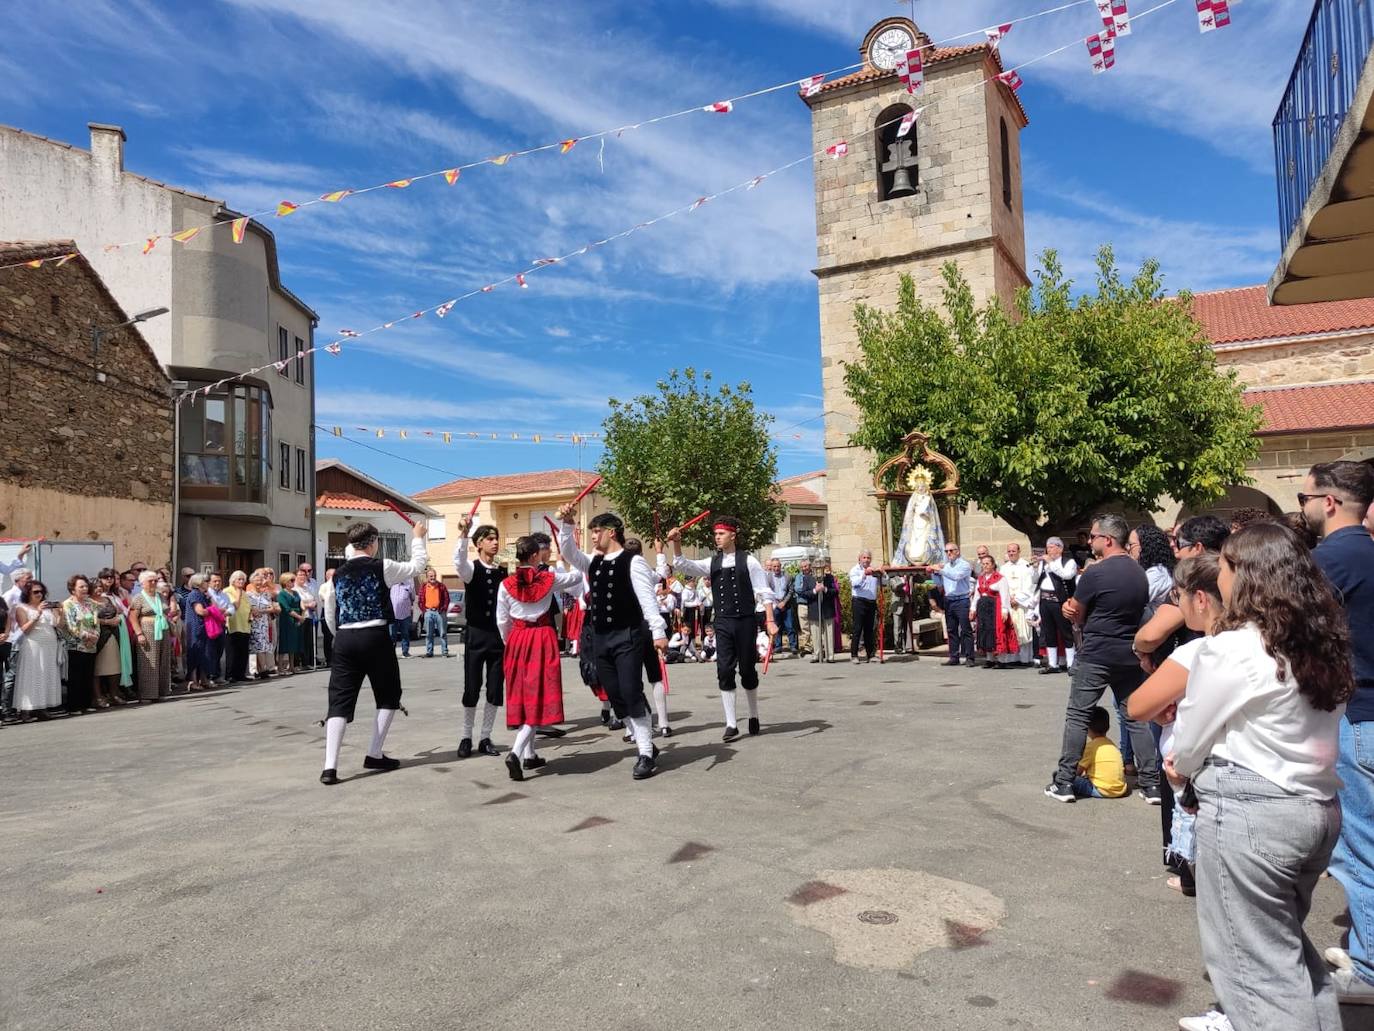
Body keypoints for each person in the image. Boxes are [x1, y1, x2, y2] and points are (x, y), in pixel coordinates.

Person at [1168, 522, 1352, 1031]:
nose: (1219, 576)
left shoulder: (1236, 648)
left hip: (1252, 811)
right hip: (1314, 807)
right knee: (1286, 956)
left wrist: (1182, 773)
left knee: (1255, 973)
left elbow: (1191, 735)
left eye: (1225, 565)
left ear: (1245, 575)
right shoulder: (1322, 640)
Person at [1302, 460, 1374, 1004]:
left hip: (1357, 715)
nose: (1302, 506)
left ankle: (1369, 969)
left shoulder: (1330, 559)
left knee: (1361, 846)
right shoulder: (1367, 552)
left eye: (1305, 497)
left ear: (1328, 502)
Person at [1127, 554, 1225, 900]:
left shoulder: (1198, 651)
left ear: (1200, 599)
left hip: (1204, 775)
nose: (1175, 605)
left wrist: (1162, 699)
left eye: (1177, 597)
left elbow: (1138, 705)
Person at [1045, 514, 1160, 803]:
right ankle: (1151, 783)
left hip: (1096, 653)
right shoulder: (1138, 573)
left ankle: (1064, 781)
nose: (1090, 540)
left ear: (1107, 540)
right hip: (1128, 654)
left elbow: (1077, 613)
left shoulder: (1095, 573)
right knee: (1134, 716)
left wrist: (1069, 610)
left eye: (1094, 536)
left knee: (1078, 716)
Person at [557, 506, 666, 780]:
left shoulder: (634, 561)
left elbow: (647, 598)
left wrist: (658, 631)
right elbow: (568, 553)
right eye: (591, 532)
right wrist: (568, 525)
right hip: (601, 638)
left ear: (611, 532)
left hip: (628, 636)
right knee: (615, 696)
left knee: (631, 692)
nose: (593, 537)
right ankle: (646, 744)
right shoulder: (593, 562)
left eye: (596, 532)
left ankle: (644, 754)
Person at [319, 519, 429, 785]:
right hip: (374, 635)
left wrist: (341, 636)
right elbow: (418, 566)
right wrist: (417, 537)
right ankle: (374, 752)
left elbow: (331, 613)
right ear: (373, 543)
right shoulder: (384, 566)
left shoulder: (338, 574)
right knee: (389, 694)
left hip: (345, 637)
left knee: (339, 702)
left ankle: (329, 767)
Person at [667, 516, 776, 741]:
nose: (717, 537)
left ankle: (754, 715)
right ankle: (731, 723)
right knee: (724, 670)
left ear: (732, 535)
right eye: (715, 534)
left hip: (745, 621)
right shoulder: (712, 562)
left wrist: (771, 620)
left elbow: (764, 591)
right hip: (723, 622)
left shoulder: (750, 561)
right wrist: (676, 543)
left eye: (721, 534)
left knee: (747, 670)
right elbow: (682, 565)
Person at [495, 536, 584, 781]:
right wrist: (570, 558)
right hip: (541, 638)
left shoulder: (506, 584)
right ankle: (515, 752)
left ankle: (530, 755)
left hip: (517, 638)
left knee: (524, 695)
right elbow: (576, 578)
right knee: (538, 696)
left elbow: (502, 621)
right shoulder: (548, 578)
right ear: (534, 556)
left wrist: (510, 642)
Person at [453, 516, 506, 758]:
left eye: (496, 539)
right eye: (490, 539)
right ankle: (466, 736)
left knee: (495, 689)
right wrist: (463, 535)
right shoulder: (471, 568)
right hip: (476, 634)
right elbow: (458, 562)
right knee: (472, 687)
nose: (495, 543)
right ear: (479, 543)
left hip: (498, 636)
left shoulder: (503, 570)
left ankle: (485, 737)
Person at [13, 579, 65, 719]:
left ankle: (42, 707)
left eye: (41, 591)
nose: (39, 594)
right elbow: (25, 629)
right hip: (33, 646)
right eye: (36, 592)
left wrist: (60, 612)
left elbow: (58, 625)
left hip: (49, 646)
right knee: (33, 674)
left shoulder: (48, 608)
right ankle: (27, 708)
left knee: (46, 674)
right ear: (28, 593)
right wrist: (38, 613)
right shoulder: (21, 608)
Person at [129, 571, 173, 702]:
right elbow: (133, 617)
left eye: (155, 580)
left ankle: (161, 691)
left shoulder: (160, 596)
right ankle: (147, 694)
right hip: (147, 630)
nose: (154, 583)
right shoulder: (139, 598)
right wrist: (139, 634)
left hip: (162, 629)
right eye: (150, 581)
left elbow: (166, 611)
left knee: (163, 660)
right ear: (142, 583)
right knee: (149, 661)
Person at [928, 543, 975, 667]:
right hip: (949, 600)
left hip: (962, 600)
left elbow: (956, 577)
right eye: (946, 551)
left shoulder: (964, 565)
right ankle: (954, 656)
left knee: (965, 629)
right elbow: (939, 583)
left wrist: (940, 570)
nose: (949, 553)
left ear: (957, 552)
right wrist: (933, 573)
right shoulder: (946, 566)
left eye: (951, 551)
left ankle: (970, 657)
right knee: (951, 629)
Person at [1036, 537, 1078, 675]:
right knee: (1049, 632)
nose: (1050, 550)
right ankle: (1052, 664)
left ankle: (1071, 664)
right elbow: (1036, 581)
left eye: (1053, 547)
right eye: (1048, 547)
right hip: (1045, 601)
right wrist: (1036, 568)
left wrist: (1050, 563)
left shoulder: (1069, 562)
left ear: (1060, 548)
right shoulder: (1045, 564)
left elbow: (1066, 575)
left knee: (1066, 632)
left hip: (1060, 601)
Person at [92, 568, 133, 705]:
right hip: (98, 636)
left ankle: (114, 693)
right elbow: (88, 620)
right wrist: (107, 621)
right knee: (98, 668)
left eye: (111, 577)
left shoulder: (109, 598)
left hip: (114, 633)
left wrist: (116, 618)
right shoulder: (89, 602)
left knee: (115, 665)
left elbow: (121, 612)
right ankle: (99, 696)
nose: (109, 580)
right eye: (105, 577)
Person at [60, 575, 100, 713]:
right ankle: (74, 706)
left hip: (91, 645)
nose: (84, 589)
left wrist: (95, 635)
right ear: (72, 589)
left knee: (88, 674)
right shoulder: (68, 604)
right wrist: (86, 636)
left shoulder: (91, 603)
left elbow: (96, 622)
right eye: (81, 586)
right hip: (76, 645)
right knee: (76, 676)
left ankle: (86, 703)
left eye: (86, 586)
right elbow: (71, 626)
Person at [1072, 706, 1129, 799]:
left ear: (1087, 728)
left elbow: (1078, 771)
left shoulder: (1091, 746)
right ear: (1108, 727)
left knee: (1063, 776)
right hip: (1120, 789)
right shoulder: (1111, 744)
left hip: (1102, 790)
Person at [972, 555, 1016, 668]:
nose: (985, 566)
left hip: (995, 608)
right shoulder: (980, 578)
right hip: (983, 609)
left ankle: (1002, 660)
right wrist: (972, 609)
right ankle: (989, 658)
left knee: (997, 632)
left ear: (993, 565)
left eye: (987, 563)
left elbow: (1005, 595)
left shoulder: (1000, 578)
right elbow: (977, 595)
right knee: (985, 631)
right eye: (983, 564)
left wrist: (1005, 610)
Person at [999, 543, 1036, 667]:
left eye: (1013, 551)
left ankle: (1025, 659)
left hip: (1021, 604)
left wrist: (1018, 599)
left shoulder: (1026, 566)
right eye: (1009, 551)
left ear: (1019, 551)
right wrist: (1008, 599)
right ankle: (1012, 658)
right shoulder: (1004, 568)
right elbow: (1001, 585)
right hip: (1008, 604)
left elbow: (1029, 586)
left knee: (1023, 631)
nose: (1011, 553)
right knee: (1011, 631)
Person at [181, 574, 213, 692]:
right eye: (205, 581)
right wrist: (214, 610)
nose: (208, 583)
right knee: (195, 654)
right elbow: (200, 611)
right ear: (199, 583)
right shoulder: (195, 594)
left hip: (202, 627)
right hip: (196, 627)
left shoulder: (202, 594)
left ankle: (204, 680)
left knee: (203, 654)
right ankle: (193, 682)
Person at [848, 550, 881, 664]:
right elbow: (854, 583)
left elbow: (884, 582)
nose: (866, 560)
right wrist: (864, 575)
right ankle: (854, 654)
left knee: (870, 629)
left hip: (871, 602)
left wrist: (883, 573)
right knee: (857, 629)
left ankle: (870, 654)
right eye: (864, 558)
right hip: (859, 601)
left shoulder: (873, 570)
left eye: (868, 558)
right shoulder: (855, 570)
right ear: (860, 559)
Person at [246, 570, 279, 679]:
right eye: (257, 580)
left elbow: (272, 608)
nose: (259, 582)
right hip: (254, 623)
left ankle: (261, 669)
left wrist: (262, 611)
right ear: (252, 582)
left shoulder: (266, 594)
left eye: (261, 580)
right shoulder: (248, 595)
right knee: (258, 646)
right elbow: (252, 610)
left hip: (265, 622)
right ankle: (262, 669)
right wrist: (262, 610)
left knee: (265, 645)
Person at [223, 571, 251, 683]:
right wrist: (238, 594)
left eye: (243, 579)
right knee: (232, 651)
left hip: (245, 625)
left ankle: (241, 674)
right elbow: (235, 605)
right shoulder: (227, 591)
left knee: (243, 652)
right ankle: (230, 675)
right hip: (233, 625)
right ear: (233, 580)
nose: (241, 581)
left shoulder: (245, 593)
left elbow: (248, 607)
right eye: (239, 579)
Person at [276, 573, 306, 675]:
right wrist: (298, 617)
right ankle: (280, 667)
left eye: (294, 580)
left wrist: (302, 614)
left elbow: (300, 603)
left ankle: (292, 666)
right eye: (291, 580)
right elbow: (286, 608)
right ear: (285, 582)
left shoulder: (295, 592)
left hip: (297, 619)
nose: (293, 582)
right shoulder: (281, 594)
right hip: (287, 620)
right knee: (285, 642)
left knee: (294, 643)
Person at [417, 567, 451, 659]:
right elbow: (420, 600)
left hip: (440, 612)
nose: (433, 577)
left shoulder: (441, 586)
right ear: (427, 577)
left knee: (443, 633)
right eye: (431, 576)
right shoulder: (424, 587)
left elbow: (447, 599)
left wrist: (443, 609)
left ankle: (444, 652)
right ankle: (429, 652)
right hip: (428, 612)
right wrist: (424, 610)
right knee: (428, 634)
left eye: (434, 575)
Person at [766, 558, 797, 656]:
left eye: (778, 566)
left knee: (790, 626)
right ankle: (778, 646)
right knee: (777, 626)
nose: (776, 568)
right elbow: (768, 591)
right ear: (772, 567)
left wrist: (784, 602)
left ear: (780, 566)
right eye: (774, 566)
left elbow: (791, 591)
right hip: (775, 605)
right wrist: (777, 603)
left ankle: (793, 646)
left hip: (786, 605)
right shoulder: (768, 578)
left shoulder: (787, 576)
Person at [295, 561, 320, 669]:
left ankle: (310, 659)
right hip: (301, 615)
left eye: (309, 571)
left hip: (312, 614)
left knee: (310, 639)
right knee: (301, 639)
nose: (306, 574)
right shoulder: (295, 586)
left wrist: (314, 603)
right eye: (303, 572)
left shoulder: (312, 583)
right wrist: (307, 604)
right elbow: (298, 600)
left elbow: (316, 597)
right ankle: (301, 661)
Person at [388, 576, 414, 658]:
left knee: (405, 634)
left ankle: (405, 652)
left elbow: (412, 598)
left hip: (405, 614)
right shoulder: (391, 585)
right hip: (393, 615)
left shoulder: (408, 586)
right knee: (392, 635)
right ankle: (391, 653)